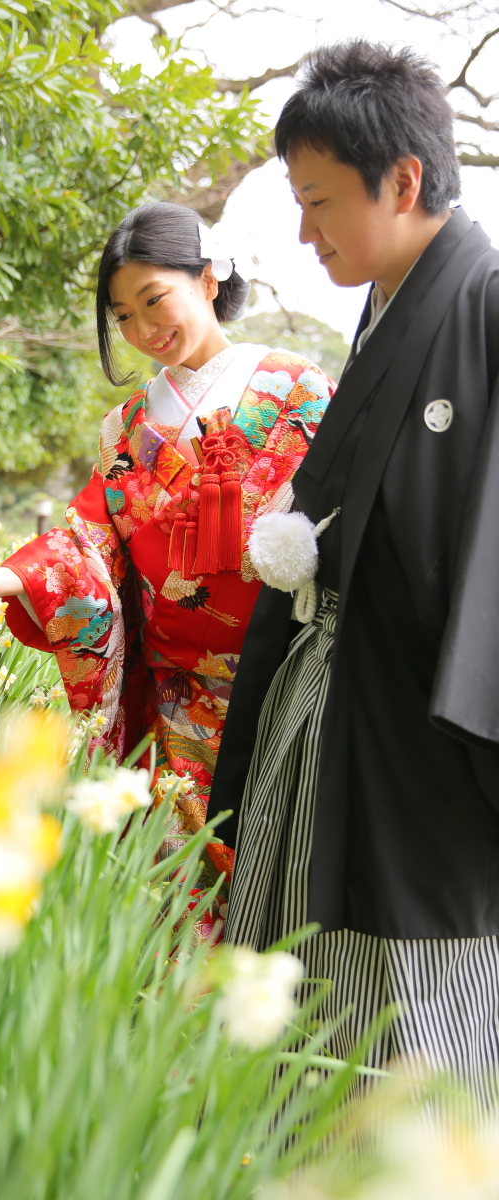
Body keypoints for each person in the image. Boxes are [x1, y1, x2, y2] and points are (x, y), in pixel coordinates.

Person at [206, 41, 499, 1098]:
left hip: (426, 751)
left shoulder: (482, 306)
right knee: (302, 1007)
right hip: (331, 720)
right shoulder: (384, 313)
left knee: (413, 1039)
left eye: (318, 200)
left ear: (405, 181)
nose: (302, 230)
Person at [0, 201, 333, 869]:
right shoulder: (125, 429)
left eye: (154, 299)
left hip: (281, 682)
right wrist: (4, 577)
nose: (142, 327)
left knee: (279, 869)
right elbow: (87, 541)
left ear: (209, 279)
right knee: (177, 876)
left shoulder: (300, 389)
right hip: (173, 697)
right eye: (123, 315)